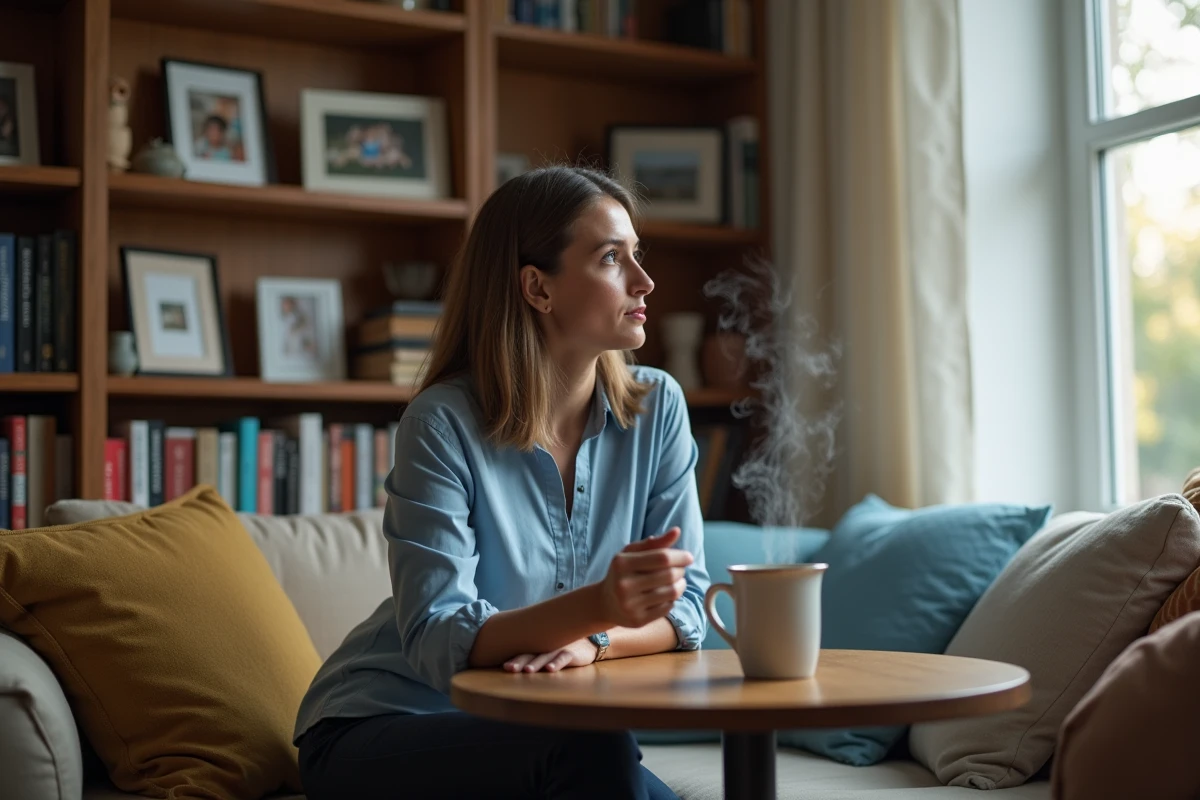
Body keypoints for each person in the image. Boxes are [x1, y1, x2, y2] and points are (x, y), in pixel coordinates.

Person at [293, 165, 710, 800]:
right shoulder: (441, 422)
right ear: (537, 288)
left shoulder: (657, 409)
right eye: (610, 257)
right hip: (383, 724)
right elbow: (436, 637)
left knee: (603, 754)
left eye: (637, 253)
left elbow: (689, 608)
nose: (643, 280)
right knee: (595, 746)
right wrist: (599, 607)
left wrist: (595, 640)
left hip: (540, 733)